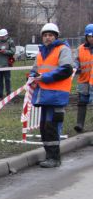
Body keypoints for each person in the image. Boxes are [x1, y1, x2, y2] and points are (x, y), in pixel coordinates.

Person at [29, 23, 74, 167]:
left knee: (52, 127)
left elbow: (66, 70)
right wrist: (31, 78)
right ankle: (49, 156)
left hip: (57, 96)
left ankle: (54, 158)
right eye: (45, 35)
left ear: (55, 36)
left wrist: (45, 77)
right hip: (44, 96)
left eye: (50, 35)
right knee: (44, 127)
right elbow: (35, 70)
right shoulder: (41, 53)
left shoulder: (63, 49)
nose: (47, 38)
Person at [75, 25, 93, 133]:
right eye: (90, 36)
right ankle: (79, 124)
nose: (91, 38)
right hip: (84, 80)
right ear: (86, 36)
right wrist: (75, 67)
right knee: (82, 101)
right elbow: (76, 61)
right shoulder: (80, 49)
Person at [0, 28, 15, 99]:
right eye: (0, 36)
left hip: (7, 64)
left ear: (6, 35)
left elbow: (13, 51)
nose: (1, 38)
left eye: (2, 36)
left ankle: (8, 94)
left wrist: (5, 51)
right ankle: (0, 94)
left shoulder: (10, 42)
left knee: (7, 79)